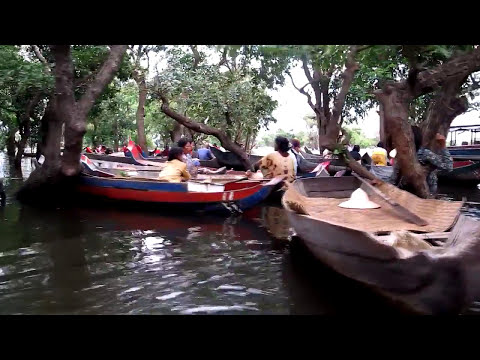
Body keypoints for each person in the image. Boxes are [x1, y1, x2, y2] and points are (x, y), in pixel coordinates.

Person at [390, 126, 453, 195]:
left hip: (409, 193)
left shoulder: (402, 154)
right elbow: (448, 167)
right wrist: (443, 146)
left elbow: (393, 179)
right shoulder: (424, 154)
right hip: (424, 194)